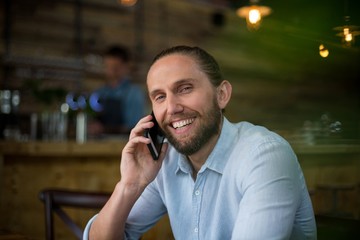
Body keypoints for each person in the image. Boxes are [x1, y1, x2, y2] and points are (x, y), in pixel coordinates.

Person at [84, 46, 317, 239]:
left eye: (185, 88)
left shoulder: (265, 155)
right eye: (160, 97)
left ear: (222, 95)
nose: (172, 108)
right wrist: (129, 185)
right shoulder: (165, 161)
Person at [88, 45, 145, 136]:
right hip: (99, 144)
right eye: (107, 66)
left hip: (122, 144)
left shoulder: (134, 92)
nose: (111, 71)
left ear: (126, 67)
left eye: (115, 67)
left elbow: (134, 127)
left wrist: (104, 129)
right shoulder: (100, 92)